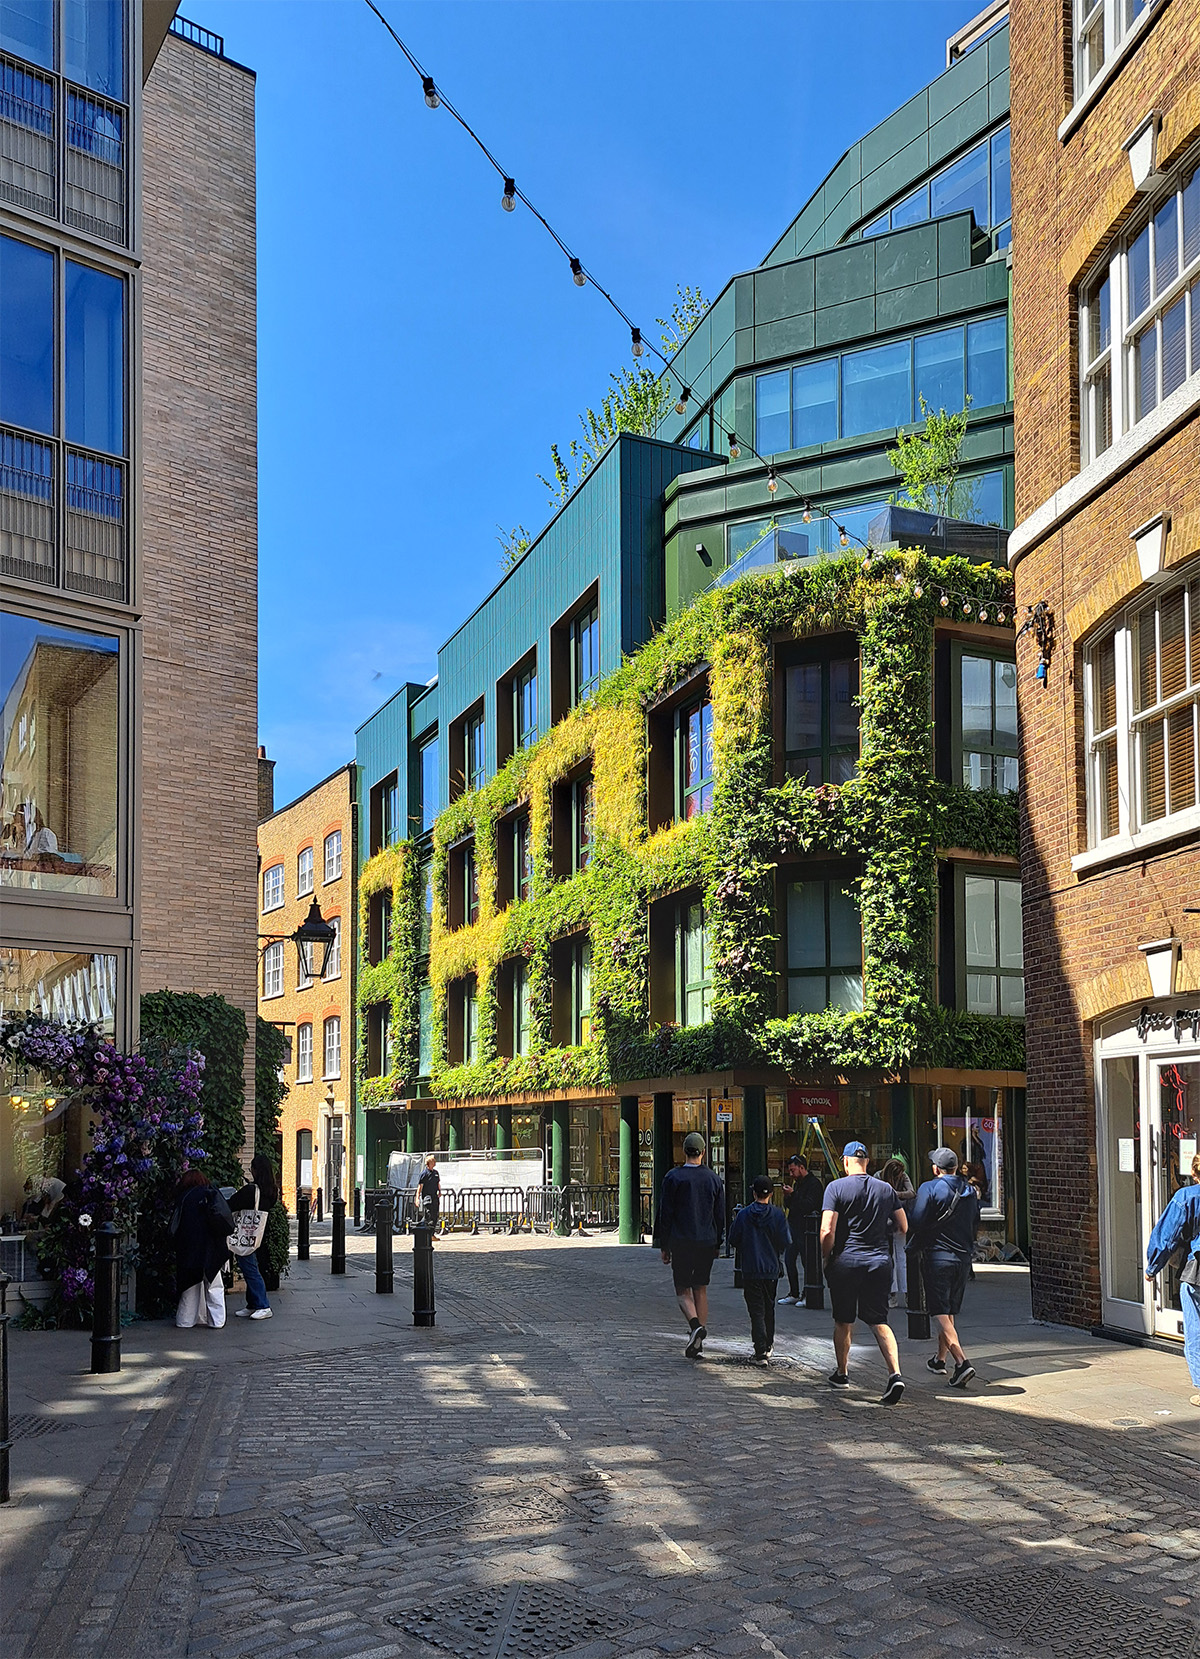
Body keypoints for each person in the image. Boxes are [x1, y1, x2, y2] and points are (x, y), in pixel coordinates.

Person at [820, 1140, 908, 1403]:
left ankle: (842, 1372)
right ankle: (895, 1374)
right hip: (879, 1262)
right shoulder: (885, 1189)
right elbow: (903, 1225)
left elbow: (827, 1230)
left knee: (843, 1320)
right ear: (867, 1163)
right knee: (879, 1320)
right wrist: (884, 1233)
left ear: (845, 1162)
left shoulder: (835, 1188)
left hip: (846, 1263)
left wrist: (826, 1256)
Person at [907, 1147, 982, 1387]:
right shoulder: (970, 1191)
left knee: (939, 1311)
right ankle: (940, 1359)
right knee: (948, 1310)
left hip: (938, 1256)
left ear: (935, 1168)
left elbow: (916, 1221)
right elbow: (975, 1224)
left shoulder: (929, 1188)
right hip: (962, 1258)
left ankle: (961, 1362)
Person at [653, 1130, 725, 1359]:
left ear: (684, 1152)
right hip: (706, 1240)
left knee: (682, 1289)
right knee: (700, 1288)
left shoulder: (673, 1177)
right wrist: (718, 1241)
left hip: (681, 1240)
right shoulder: (713, 1179)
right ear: (703, 1152)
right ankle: (698, 1343)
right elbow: (720, 1214)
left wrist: (664, 1245)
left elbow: (666, 1213)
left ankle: (695, 1327)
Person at [1146, 1151, 1200, 1409]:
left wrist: (1152, 1266)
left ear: (1194, 1173)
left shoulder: (1187, 1197)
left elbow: (1166, 1236)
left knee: (1196, 1327)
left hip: (1197, 1272)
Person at [729, 1176, 791, 1362]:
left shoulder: (743, 1215)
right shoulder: (778, 1214)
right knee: (769, 1307)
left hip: (750, 1268)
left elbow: (734, 1239)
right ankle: (768, 1344)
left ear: (754, 1193)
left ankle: (760, 1349)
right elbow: (785, 1241)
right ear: (771, 1194)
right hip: (771, 1268)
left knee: (756, 1309)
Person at [172, 1170, 235, 1329]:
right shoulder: (210, 1193)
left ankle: (185, 1320)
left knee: (189, 1286)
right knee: (214, 1284)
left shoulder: (183, 1197)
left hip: (188, 1247)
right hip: (211, 1245)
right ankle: (217, 1321)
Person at [229, 1153, 277, 1321]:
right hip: (259, 1233)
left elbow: (231, 1204)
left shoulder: (251, 1191)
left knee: (249, 1268)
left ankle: (263, 1305)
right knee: (253, 1267)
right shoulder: (271, 1191)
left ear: (256, 1171)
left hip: (246, 1234)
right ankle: (253, 1304)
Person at [778, 1154, 823, 1305]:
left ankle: (807, 1293)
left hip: (807, 1228)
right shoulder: (797, 1184)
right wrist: (788, 1196)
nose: (791, 1174)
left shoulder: (814, 1184)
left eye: (793, 1170)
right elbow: (793, 1206)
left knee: (807, 1261)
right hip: (795, 1226)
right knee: (789, 1259)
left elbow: (808, 1205)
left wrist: (793, 1195)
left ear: (801, 1167)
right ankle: (794, 1292)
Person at [879, 1157, 915, 1308]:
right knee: (890, 1257)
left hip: (899, 1219)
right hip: (886, 1221)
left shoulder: (903, 1176)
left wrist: (895, 1194)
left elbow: (911, 1192)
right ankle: (892, 1292)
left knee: (901, 1257)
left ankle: (906, 1293)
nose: (899, 1178)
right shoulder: (878, 1177)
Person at [416, 1154, 441, 1230]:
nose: (434, 1163)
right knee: (428, 1214)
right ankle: (427, 1232)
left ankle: (432, 1232)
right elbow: (420, 1186)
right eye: (432, 1161)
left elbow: (438, 1183)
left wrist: (440, 1191)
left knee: (435, 1214)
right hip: (427, 1197)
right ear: (428, 1163)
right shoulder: (424, 1174)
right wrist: (417, 1198)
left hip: (434, 1196)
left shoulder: (436, 1173)